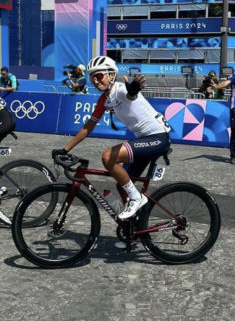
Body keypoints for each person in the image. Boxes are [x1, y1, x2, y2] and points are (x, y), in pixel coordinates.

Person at [52, 56, 171, 223]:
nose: (95, 81)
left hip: (158, 138)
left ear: (111, 75)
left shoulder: (121, 89)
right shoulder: (104, 100)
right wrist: (65, 149)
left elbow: (130, 95)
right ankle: (135, 228)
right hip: (145, 139)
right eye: (92, 77)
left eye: (99, 75)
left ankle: (137, 199)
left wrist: (133, 90)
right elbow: (88, 127)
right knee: (122, 185)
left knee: (108, 157)